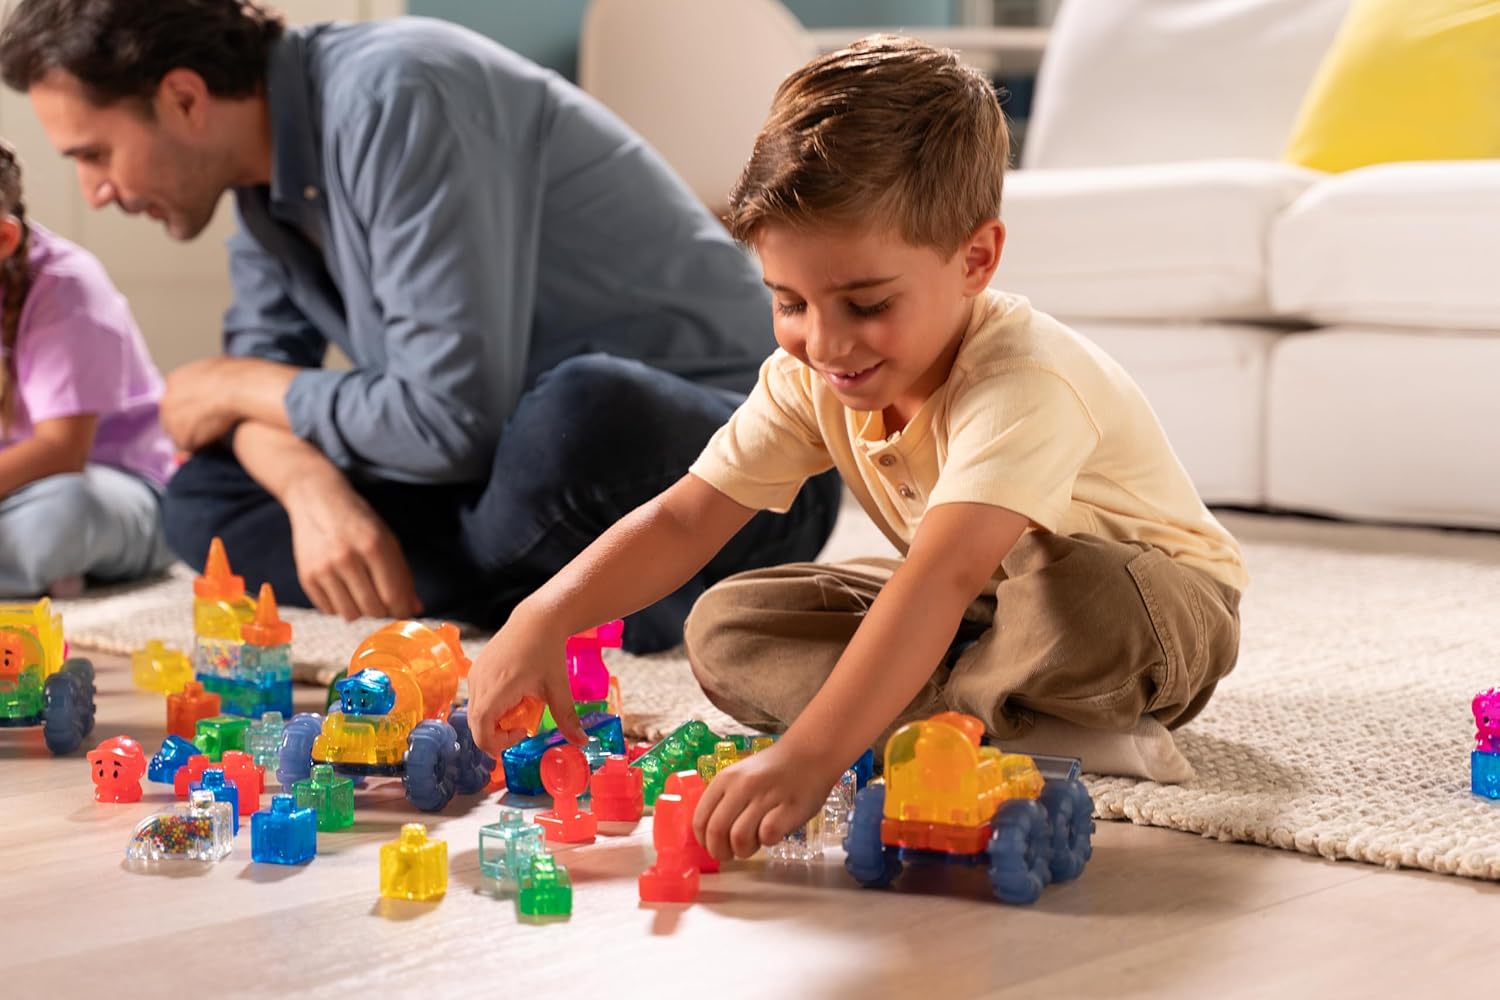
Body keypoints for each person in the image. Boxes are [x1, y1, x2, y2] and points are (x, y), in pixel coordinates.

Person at [464, 36, 1247, 859]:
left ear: (975, 259)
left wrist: (809, 757)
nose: (825, 342)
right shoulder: (809, 375)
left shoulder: (1024, 379)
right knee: (728, 623)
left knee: (1070, 595)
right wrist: (542, 613)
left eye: (865, 304)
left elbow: (942, 573)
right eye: (790, 301)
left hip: (1145, 608)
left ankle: (985, 718)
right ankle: (1006, 724)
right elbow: (686, 520)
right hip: (977, 606)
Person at [0, 0, 840, 651]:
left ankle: (583, 593)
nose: (97, 190)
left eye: (93, 154)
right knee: (201, 499)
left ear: (183, 98)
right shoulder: (258, 189)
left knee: (579, 410)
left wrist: (241, 384)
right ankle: (600, 598)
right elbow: (226, 413)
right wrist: (310, 487)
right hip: (505, 469)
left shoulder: (398, 93)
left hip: (734, 471)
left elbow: (443, 426)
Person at [0, 140, 174, 596]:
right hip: (10, 492)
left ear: (4, 238)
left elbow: (61, 451)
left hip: (109, 485)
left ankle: (45, 562)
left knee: (62, 514)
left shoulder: (66, 286)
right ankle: (39, 572)